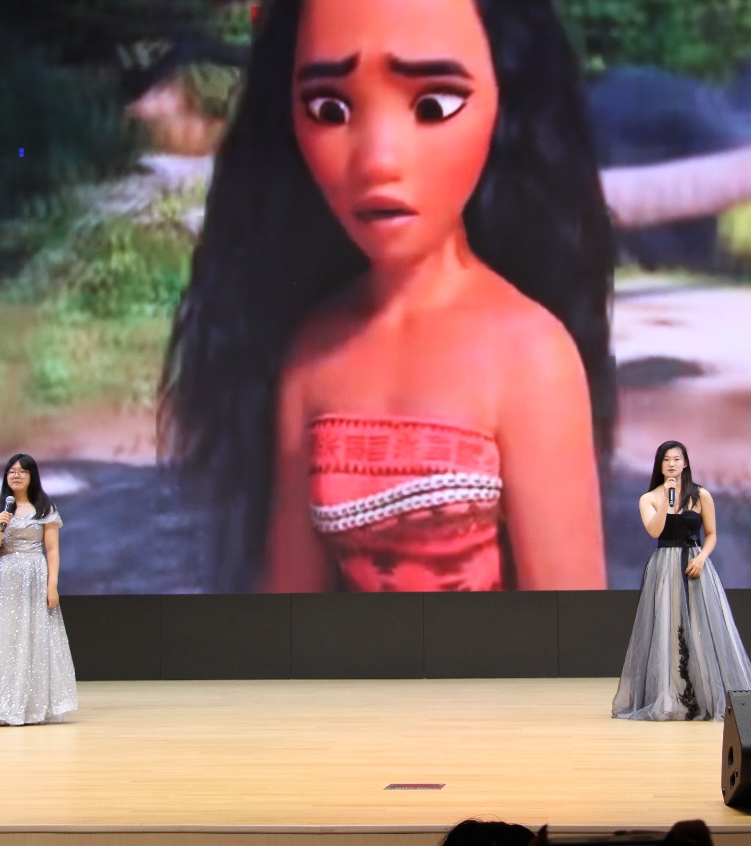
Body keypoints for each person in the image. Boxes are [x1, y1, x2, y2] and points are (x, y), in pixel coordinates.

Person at [160, 0, 616, 593]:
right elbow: (289, 605)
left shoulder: (532, 359)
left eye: (433, 106)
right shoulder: (315, 352)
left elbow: (569, 624)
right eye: (329, 109)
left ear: (506, 100)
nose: (378, 160)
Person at [612, 441, 751, 721]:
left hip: (695, 564)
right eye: (666, 459)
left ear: (685, 463)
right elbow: (654, 530)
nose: (671, 464)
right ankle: (671, 697)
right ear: (659, 465)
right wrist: (666, 502)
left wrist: (702, 557)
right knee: (669, 629)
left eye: (676, 459)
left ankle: (706, 696)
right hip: (665, 566)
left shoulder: (701, 495)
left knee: (701, 628)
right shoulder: (649, 498)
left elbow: (712, 534)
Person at [0, 454, 78, 726]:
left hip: (34, 576)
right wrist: (1, 526)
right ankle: (0, 705)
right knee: (4, 636)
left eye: (22, 471)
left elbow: (52, 550)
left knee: (33, 635)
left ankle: (32, 706)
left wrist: (52, 585)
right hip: (3, 578)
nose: (16, 476)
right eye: (12, 471)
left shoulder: (44, 509)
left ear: (32, 476)